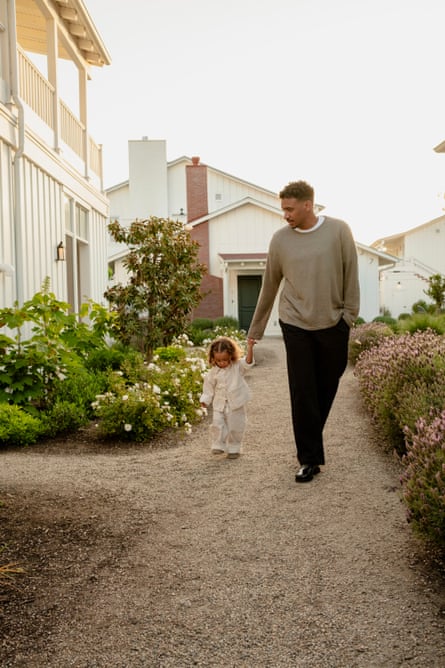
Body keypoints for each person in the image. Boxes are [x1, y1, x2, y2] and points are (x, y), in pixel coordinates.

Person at [247, 180, 360, 482]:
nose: (285, 214)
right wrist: (255, 329)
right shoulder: (280, 240)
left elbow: (351, 273)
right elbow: (269, 285)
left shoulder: (338, 231)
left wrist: (348, 316)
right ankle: (308, 459)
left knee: (328, 382)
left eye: (289, 208)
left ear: (308, 205)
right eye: (282, 208)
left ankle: (310, 439)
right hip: (294, 322)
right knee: (302, 392)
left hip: (333, 322)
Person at [200, 336, 255, 459]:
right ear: (213, 358)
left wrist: (250, 347)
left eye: (225, 360)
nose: (222, 363)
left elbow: (248, 363)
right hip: (219, 403)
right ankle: (218, 444)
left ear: (231, 355)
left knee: (236, 425)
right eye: (218, 360)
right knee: (217, 423)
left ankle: (234, 447)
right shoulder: (213, 372)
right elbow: (208, 387)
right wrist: (205, 400)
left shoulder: (237, 367)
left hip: (235, 403)